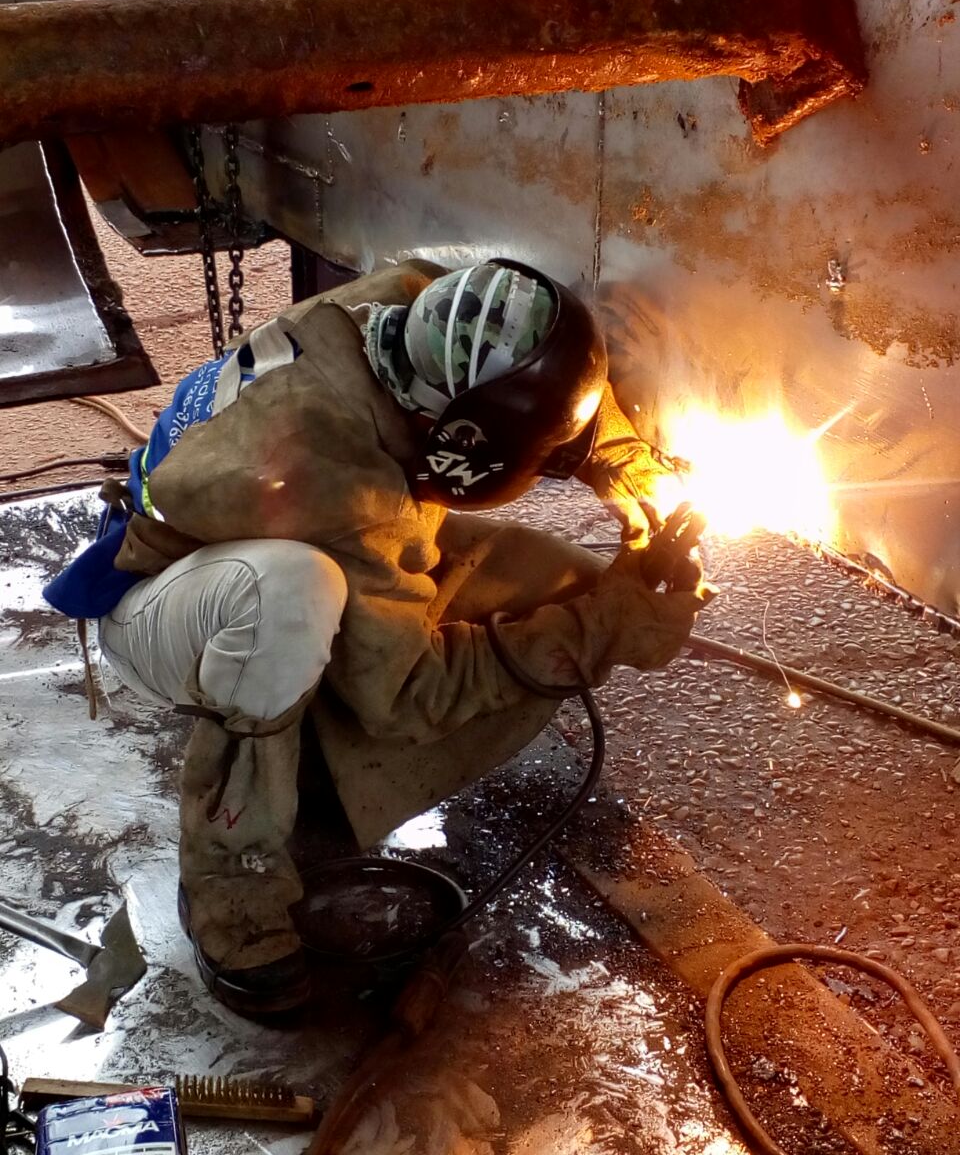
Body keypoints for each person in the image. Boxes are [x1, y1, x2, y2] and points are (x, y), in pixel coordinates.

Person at [45, 257, 708, 1017]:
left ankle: (312, 778)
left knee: (564, 584)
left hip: (262, 539)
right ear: (462, 445)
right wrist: (604, 630)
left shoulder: (412, 301)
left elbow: (523, 358)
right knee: (295, 595)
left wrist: (619, 463)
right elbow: (407, 696)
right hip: (157, 605)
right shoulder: (343, 483)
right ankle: (231, 886)